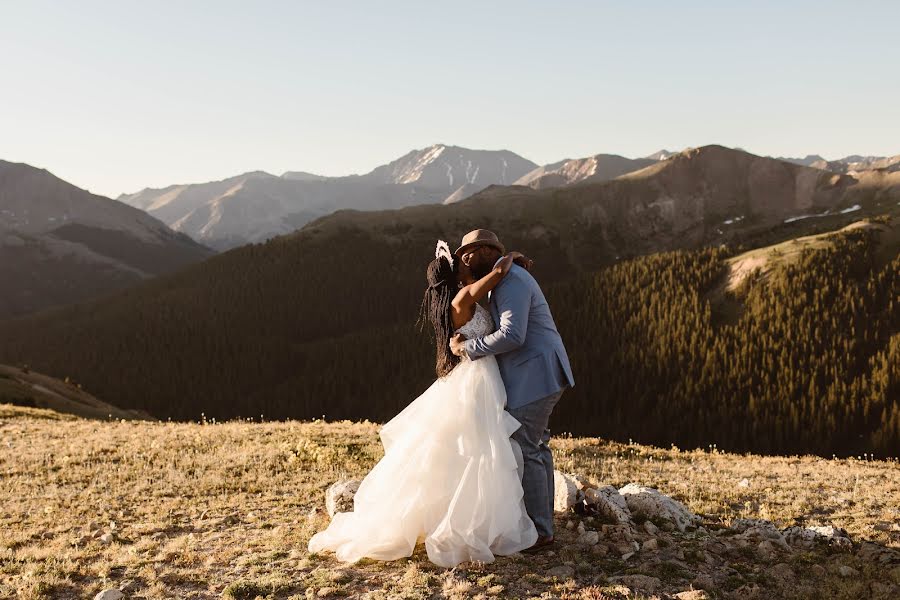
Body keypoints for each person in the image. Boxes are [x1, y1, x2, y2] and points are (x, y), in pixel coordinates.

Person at [308, 240, 538, 568]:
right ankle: (469, 519)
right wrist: (512, 255)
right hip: (477, 378)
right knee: (478, 446)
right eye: (459, 264)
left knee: (472, 447)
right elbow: (499, 273)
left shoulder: (454, 300)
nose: (465, 263)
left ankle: (461, 512)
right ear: (455, 276)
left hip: (477, 374)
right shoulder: (463, 296)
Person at [449, 229, 574, 552]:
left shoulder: (512, 281)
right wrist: (508, 260)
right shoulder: (504, 277)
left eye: (470, 253)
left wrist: (469, 348)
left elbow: (513, 335)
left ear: (486, 252)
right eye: (462, 256)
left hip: (535, 374)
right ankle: (541, 524)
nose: (465, 259)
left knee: (526, 449)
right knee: (536, 447)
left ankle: (540, 532)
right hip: (537, 372)